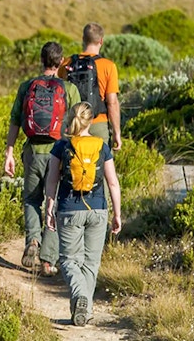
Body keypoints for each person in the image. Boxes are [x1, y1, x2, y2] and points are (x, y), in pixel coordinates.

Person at [4, 41, 80, 276]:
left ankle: (33, 241)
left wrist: (9, 152)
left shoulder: (27, 86)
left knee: (31, 200)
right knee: (54, 202)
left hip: (32, 152)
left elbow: (15, 120)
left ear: (41, 59)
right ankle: (48, 260)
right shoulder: (69, 89)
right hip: (58, 153)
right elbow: (77, 124)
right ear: (60, 62)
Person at [45, 102, 122, 327]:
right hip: (98, 209)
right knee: (90, 263)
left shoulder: (61, 146)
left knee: (68, 260)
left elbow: (51, 179)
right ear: (90, 121)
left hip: (69, 209)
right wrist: (117, 214)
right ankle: (83, 310)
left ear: (71, 118)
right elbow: (113, 183)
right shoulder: (102, 146)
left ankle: (80, 300)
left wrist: (49, 206)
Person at [65, 22, 122, 150]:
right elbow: (112, 103)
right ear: (101, 41)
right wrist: (117, 133)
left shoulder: (67, 63)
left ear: (83, 39)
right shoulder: (108, 66)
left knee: (72, 166)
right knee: (102, 166)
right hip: (98, 124)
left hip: (73, 124)